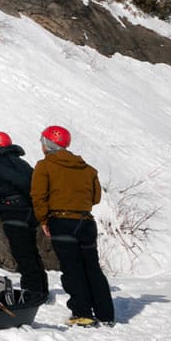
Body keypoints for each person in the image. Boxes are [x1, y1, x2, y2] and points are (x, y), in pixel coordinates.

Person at [31, 124, 114, 325]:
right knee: (92, 267)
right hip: (86, 222)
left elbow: (38, 196)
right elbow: (96, 198)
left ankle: (82, 313)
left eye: (42, 141)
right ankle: (105, 314)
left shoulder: (45, 166)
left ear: (48, 144)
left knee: (72, 268)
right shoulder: (88, 169)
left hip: (61, 221)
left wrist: (43, 220)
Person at [0, 130, 49, 302]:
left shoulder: (3, 163)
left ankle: (32, 292)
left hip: (14, 211)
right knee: (30, 251)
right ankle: (41, 289)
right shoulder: (20, 163)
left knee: (23, 254)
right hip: (27, 211)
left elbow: (24, 184)